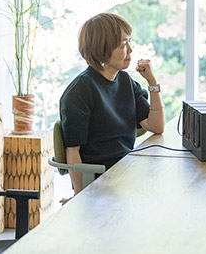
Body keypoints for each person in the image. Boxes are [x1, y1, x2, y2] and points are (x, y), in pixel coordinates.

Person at [60, 12, 165, 195]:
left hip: (126, 170)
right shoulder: (80, 90)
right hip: (102, 180)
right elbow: (72, 151)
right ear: (102, 48)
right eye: (124, 44)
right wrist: (79, 196)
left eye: (129, 42)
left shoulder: (125, 81)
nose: (130, 50)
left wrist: (152, 83)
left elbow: (156, 126)